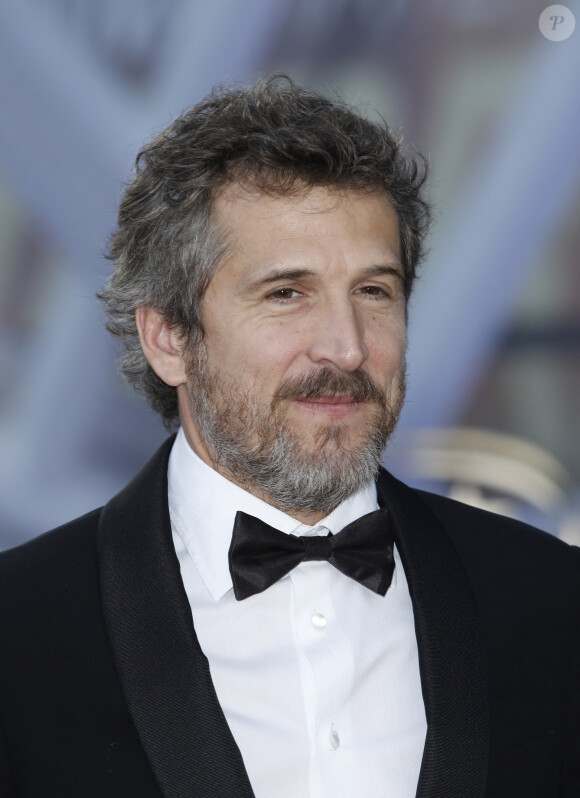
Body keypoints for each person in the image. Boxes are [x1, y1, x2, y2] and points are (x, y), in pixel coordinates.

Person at [0, 75, 578, 798]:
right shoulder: (18, 631)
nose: (345, 346)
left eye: (375, 291)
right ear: (169, 338)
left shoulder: (552, 603)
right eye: (286, 294)